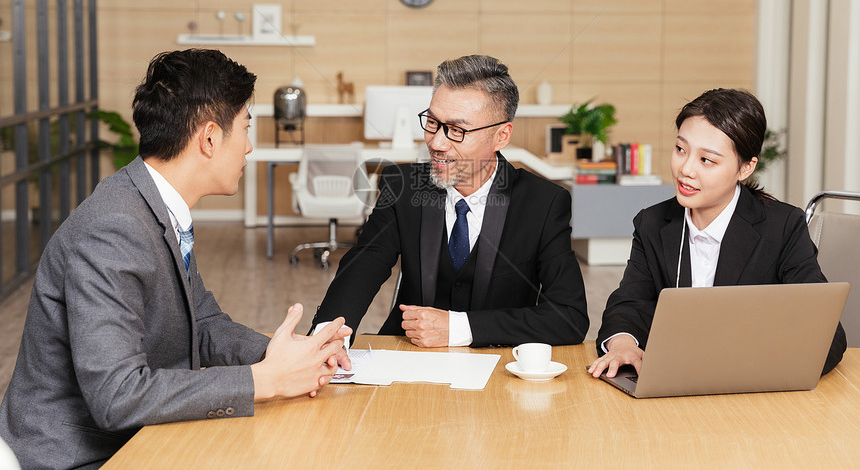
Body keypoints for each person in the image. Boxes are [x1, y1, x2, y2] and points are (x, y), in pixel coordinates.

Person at [0, 49, 351, 469]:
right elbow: (117, 396)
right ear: (208, 138)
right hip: (81, 457)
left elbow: (202, 324)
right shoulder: (113, 229)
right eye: (245, 128)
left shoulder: (154, 207)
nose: (250, 147)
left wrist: (287, 353)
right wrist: (264, 380)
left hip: (138, 441)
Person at [311, 54, 589, 348]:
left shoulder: (543, 203)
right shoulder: (402, 186)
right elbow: (363, 267)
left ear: (501, 136)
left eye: (457, 130)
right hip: (408, 353)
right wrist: (327, 337)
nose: (436, 143)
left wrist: (458, 328)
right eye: (432, 122)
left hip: (501, 362)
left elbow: (568, 317)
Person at [588, 88, 847, 379]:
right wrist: (623, 345)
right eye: (680, 150)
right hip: (672, 385)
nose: (685, 169)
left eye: (707, 160)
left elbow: (827, 333)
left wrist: (752, 365)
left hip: (751, 390)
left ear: (745, 167)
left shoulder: (783, 226)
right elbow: (629, 303)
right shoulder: (653, 222)